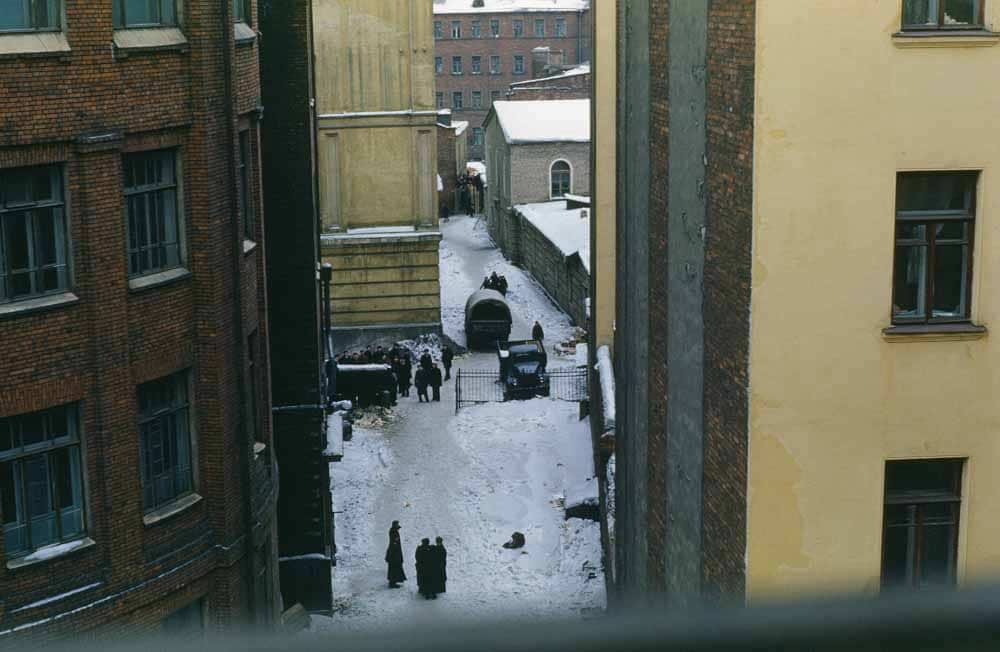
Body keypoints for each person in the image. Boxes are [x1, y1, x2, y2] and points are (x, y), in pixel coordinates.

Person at [386, 521, 406, 588]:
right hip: (394, 554)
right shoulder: (394, 532)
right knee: (394, 568)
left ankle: (393, 581)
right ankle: (392, 582)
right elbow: (394, 543)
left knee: (393, 568)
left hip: (394, 554)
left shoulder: (393, 531)